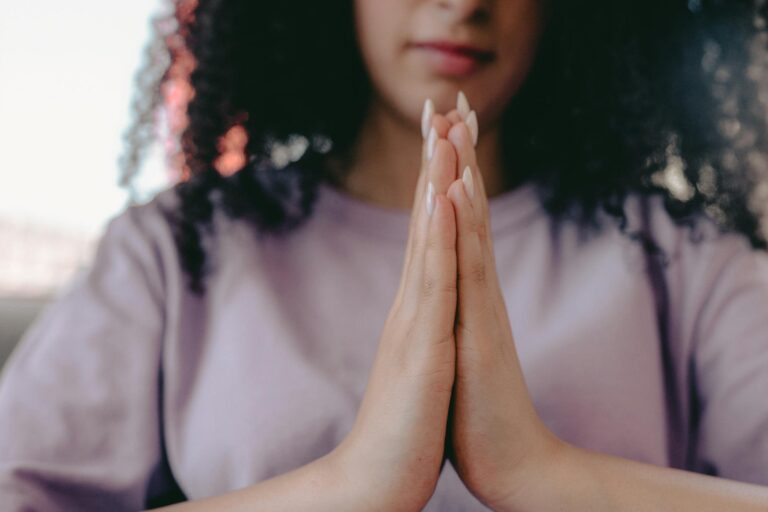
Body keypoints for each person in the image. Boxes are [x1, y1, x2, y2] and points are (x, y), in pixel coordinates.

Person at [1, 0, 768, 510]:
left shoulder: (691, 261)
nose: (462, 0)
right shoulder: (173, 251)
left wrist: (543, 473)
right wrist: (351, 484)